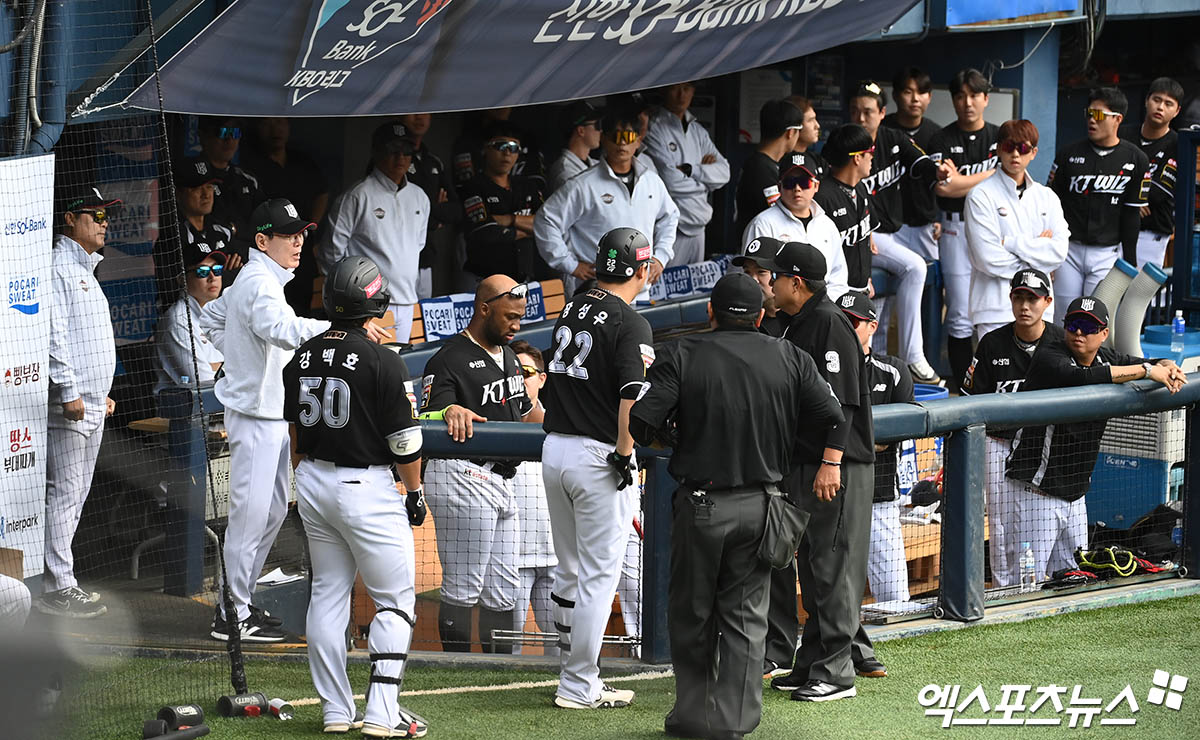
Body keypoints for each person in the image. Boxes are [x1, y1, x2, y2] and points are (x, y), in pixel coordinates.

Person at [630, 273, 844, 740]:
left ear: (711, 312)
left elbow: (642, 422)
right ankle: (735, 723)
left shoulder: (682, 353)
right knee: (747, 620)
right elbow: (833, 417)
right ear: (763, 315)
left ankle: (693, 715)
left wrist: (677, 435)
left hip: (703, 507)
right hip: (763, 507)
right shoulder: (790, 355)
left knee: (692, 615)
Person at [201, 198, 376, 642]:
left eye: (301, 233)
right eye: (288, 234)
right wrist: (342, 329)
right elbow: (283, 330)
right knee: (250, 518)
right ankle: (231, 614)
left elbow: (210, 316)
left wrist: (236, 356)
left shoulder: (257, 280)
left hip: (271, 417)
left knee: (274, 510)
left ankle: (236, 602)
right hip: (254, 419)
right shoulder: (258, 282)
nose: (299, 241)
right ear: (262, 241)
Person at [283, 256, 428, 738]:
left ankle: (336, 712)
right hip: (366, 489)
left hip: (314, 483)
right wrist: (415, 492)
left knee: (327, 594)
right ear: (375, 302)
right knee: (394, 602)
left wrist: (301, 477)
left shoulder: (302, 354)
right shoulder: (384, 359)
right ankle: (383, 715)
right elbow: (405, 442)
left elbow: (295, 432)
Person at [756, 241, 878, 701]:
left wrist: (831, 462)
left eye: (775, 277)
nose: (769, 284)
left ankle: (837, 672)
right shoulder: (796, 323)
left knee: (832, 566)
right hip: (807, 462)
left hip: (834, 464)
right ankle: (811, 662)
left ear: (796, 283)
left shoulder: (827, 323)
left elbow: (842, 403)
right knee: (811, 563)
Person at [540, 227, 655, 710]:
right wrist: (625, 454)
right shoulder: (630, 322)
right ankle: (578, 683)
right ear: (642, 269)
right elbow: (632, 394)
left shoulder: (572, 304)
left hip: (555, 451)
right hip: (596, 456)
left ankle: (574, 672)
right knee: (597, 577)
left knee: (570, 572)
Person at [1006, 296, 1185, 581]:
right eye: (1073, 324)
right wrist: (1148, 371)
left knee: (1074, 577)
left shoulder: (1106, 356)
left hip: (1076, 495)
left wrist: (1164, 363)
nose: (1078, 333)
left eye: (1088, 327)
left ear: (1103, 334)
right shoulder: (1049, 355)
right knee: (1025, 581)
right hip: (1036, 492)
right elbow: (1082, 377)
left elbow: (1136, 362)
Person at [418, 276, 543, 654]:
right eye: (509, 317)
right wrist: (447, 409)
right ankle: (455, 669)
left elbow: (525, 413)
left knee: (503, 590)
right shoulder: (447, 359)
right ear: (484, 309)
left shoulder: (506, 355)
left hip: (503, 479)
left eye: (520, 318)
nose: (516, 326)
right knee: (463, 585)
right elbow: (425, 417)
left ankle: (496, 671)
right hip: (461, 473)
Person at [38, 186, 121, 618]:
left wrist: (97, 392)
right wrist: (69, 391)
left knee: (77, 493)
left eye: (106, 217)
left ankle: (62, 580)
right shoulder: (58, 267)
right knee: (65, 493)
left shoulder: (84, 269)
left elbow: (86, 343)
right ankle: (57, 585)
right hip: (69, 407)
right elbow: (53, 336)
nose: (104, 223)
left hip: (91, 405)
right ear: (70, 219)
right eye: (96, 215)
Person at [961, 268, 1063, 588]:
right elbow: (970, 400)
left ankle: (1032, 582)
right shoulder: (992, 343)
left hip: (1041, 446)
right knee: (1002, 522)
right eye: (1019, 297)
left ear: (1046, 301)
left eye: (1032, 299)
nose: (1024, 306)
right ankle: (1005, 587)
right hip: (999, 442)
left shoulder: (1061, 342)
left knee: (1036, 518)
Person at [848, 81, 949, 384]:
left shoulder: (893, 138)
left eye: (867, 112)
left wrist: (939, 171)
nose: (861, 118)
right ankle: (913, 357)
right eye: (855, 111)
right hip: (864, 234)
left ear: (882, 113)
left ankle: (878, 367)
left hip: (892, 232)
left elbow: (919, 161)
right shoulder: (844, 145)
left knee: (884, 302)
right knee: (914, 267)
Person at [534, 110, 678, 298]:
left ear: (638, 141)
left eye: (628, 136)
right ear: (603, 139)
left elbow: (670, 216)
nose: (622, 143)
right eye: (615, 136)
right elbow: (545, 220)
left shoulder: (652, 181)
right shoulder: (583, 185)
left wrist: (660, 257)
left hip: (640, 292)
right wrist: (570, 264)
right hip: (596, 292)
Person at [1048, 88, 1151, 323]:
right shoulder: (1068, 154)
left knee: (1095, 320)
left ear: (1118, 119)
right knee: (1063, 317)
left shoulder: (1136, 158)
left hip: (1107, 253)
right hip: (1068, 251)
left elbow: (1131, 213)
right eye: (1089, 113)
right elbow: (1052, 205)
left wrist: (1131, 261)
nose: (1092, 119)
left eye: (1100, 114)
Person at [837, 292, 914, 606]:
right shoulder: (818, 369)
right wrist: (868, 442)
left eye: (854, 322)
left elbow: (901, 431)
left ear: (872, 326)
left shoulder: (893, 370)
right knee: (838, 597)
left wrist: (846, 441)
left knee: (895, 598)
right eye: (842, 322)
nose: (847, 329)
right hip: (833, 498)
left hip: (879, 497)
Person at [321, 123, 430, 342]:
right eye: (393, 149)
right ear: (377, 151)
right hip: (368, 303)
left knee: (398, 365)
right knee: (372, 367)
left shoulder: (420, 197)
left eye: (406, 151)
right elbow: (331, 252)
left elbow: (417, 246)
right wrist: (350, 298)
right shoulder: (358, 195)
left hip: (408, 299)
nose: (400, 157)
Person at [964, 119, 1069, 342]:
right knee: (996, 375)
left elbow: (1059, 252)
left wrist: (1009, 243)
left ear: (1033, 152)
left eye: (1023, 148)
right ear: (998, 149)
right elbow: (987, 258)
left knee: (1039, 375)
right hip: (994, 307)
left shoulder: (1047, 197)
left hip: (1041, 308)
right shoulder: (980, 195)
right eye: (1008, 147)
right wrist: (1038, 255)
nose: (1015, 154)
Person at [928, 69, 1001, 388]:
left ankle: (992, 381)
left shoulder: (1001, 136)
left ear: (986, 99)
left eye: (974, 95)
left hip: (995, 232)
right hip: (955, 231)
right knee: (959, 314)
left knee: (994, 309)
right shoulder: (941, 138)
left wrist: (962, 182)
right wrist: (991, 175)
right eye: (960, 96)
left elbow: (1011, 179)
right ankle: (961, 387)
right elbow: (943, 189)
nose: (967, 102)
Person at [239, 117, 330, 315]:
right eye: (268, 123)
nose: (275, 130)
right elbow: (282, 328)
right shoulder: (251, 166)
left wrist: (307, 230)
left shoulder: (301, 161)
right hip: (272, 249)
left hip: (300, 254)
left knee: (301, 305)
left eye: (280, 123)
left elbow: (322, 192)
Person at [506, 340, 558, 656]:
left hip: (555, 556)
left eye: (527, 371)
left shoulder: (562, 425)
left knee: (562, 643)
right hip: (511, 558)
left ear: (542, 377)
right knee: (506, 645)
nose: (522, 378)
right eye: (515, 372)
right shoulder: (494, 421)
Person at [644, 81, 730, 266]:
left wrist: (692, 170)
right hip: (672, 226)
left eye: (687, 88)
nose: (681, 95)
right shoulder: (654, 128)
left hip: (700, 225)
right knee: (664, 290)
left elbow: (724, 173)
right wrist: (707, 181)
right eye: (675, 88)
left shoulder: (697, 130)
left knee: (694, 292)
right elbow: (670, 182)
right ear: (664, 89)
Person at [742, 157, 848, 299]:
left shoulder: (827, 225)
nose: (797, 189)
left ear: (816, 186)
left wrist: (824, 308)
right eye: (789, 183)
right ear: (779, 187)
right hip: (779, 310)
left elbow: (838, 277)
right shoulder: (762, 223)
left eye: (804, 183)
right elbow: (753, 276)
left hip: (822, 308)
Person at [460, 123, 545, 283]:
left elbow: (548, 224)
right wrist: (527, 231)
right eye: (501, 146)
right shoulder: (473, 187)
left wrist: (510, 220)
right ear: (486, 149)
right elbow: (485, 232)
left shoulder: (527, 185)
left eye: (513, 147)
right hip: (484, 279)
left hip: (524, 279)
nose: (507, 152)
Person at [1119, 77, 1184, 268]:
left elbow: (1158, 192)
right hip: (1115, 228)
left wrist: (1124, 197)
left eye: (1168, 103)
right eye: (1157, 100)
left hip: (1151, 232)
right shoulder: (1123, 135)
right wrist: (1131, 203)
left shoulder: (1178, 144)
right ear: (1147, 100)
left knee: (1138, 296)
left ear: (1177, 111)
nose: (1160, 107)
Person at [882, 67, 943, 263]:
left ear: (930, 97)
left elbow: (941, 182)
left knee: (928, 283)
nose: (915, 99)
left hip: (925, 226)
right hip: (888, 227)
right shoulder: (883, 131)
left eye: (922, 92)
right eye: (908, 92)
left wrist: (939, 218)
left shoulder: (936, 134)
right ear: (895, 95)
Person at [397, 114, 462, 298]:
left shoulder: (433, 161)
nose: (419, 117)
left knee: (422, 318)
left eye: (425, 112)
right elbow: (397, 211)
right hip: (393, 262)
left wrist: (428, 213)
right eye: (413, 111)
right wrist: (434, 214)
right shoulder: (390, 161)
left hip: (425, 258)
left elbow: (456, 210)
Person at [812, 124, 877, 297]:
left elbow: (864, 242)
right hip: (835, 294)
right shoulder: (822, 196)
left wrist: (866, 278)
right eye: (870, 151)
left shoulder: (861, 188)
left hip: (861, 290)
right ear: (857, 158)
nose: (872, 156)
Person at [154, 240, 225, 394]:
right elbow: (204, 383)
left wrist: (219, 367)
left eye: (217, 270)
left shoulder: (222, 312)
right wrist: (230, 368)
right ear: (182, 279)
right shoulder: (178, 320)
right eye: (202, 272)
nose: (212, 277)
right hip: (187, 412)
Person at [734, 99, 805, 239]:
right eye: (799, 131)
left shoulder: (764, 163)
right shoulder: (760, 168)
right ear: (790, 133)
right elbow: (781, 213)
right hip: (757, 246)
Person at [198, 116, 263, 258]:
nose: (229, 140)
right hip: (209, 261)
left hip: (248, 259)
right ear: (203, 135)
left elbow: (263, 225)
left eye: (234, 133)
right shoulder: (192, 179)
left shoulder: (248, 180)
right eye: (222, 132)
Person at [732, 236, 789, 338]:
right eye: (747, 272)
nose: (753, 280)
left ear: (779, 275)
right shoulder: (738, 320)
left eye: (761, 272)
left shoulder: (796, 321)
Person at [546, 101, 602, 194]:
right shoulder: (565, 174)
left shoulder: (596, 164)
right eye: (597, 125)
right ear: (581, 131)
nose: (600, 130)